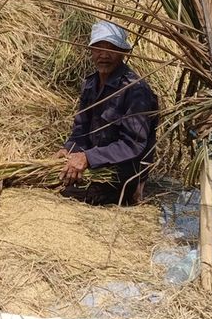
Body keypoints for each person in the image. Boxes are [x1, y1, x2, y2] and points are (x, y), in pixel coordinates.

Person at [57, 20, 159, 206]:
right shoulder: (90, 84)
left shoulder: (135, 90)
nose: (104, 55)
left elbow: (132, 144)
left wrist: (88, 158)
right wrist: (69, 150)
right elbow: (81, 130)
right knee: (55, 180)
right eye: (98, 48)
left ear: (123, 52)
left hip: (121, 174)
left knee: (72, 196)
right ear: (91, 51)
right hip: (94, 166)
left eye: (111, 48)